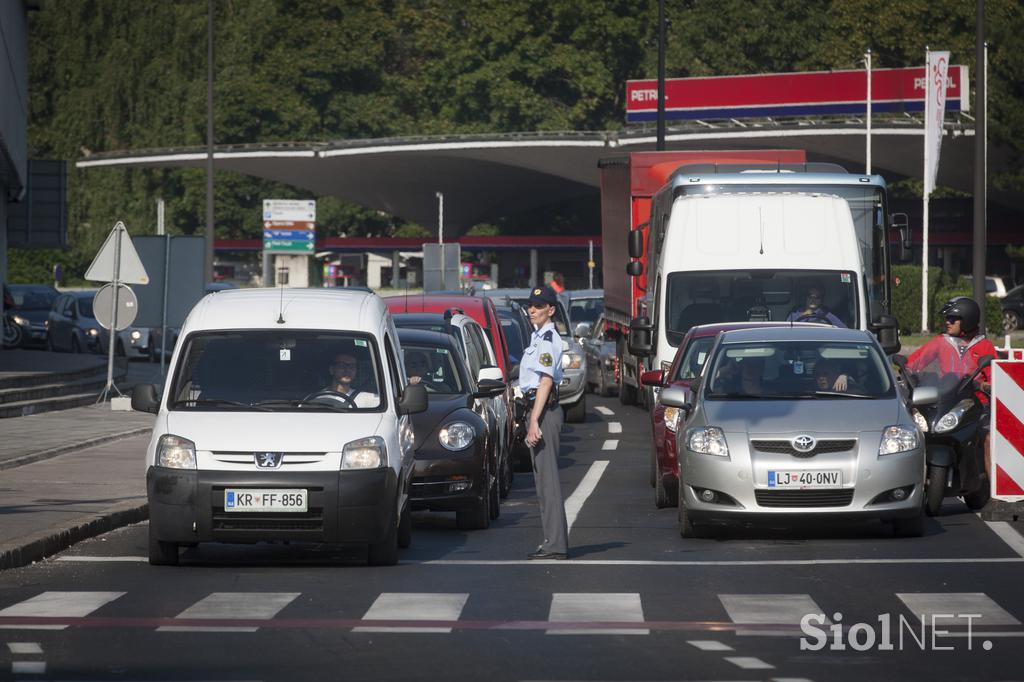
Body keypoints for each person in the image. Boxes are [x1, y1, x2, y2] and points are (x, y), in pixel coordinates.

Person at [906, 296, 997, 477]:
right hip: (947, 401)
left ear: (967, 320)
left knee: (988, 439)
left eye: (952, 319)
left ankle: (992, 487)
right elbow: (913, 363)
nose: (948, 322)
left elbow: (994, 377)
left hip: (975, 405)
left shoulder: (985, 346)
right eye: (947, 318)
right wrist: (906, 374)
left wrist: (985, 385)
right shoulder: (941, 341)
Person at [520, 285, 568, 560]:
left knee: (548, 482)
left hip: (544, 413)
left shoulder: (548, 339)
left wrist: (534, 421)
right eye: (530, 306)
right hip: (537, 410)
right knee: (542, 483)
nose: (532, 310)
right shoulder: (538, 337)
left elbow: (546, 381)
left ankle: (556, 544)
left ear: (551, 310)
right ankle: (552, 540)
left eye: (538, 306)